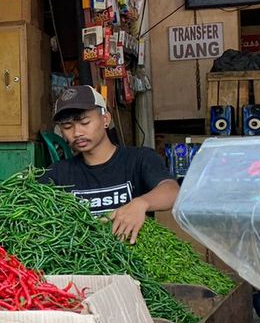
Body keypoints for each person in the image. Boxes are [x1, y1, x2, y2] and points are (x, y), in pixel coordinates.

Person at [41, 85, 179, 243]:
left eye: (85, 123)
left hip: (134, 260)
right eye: (67, 127)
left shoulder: (139, 159)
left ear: (105, 119)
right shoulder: (58, 173)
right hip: (83, 261)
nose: (77, 132)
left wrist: (141, 203)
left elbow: (171, 190)